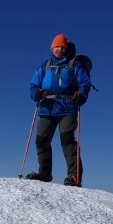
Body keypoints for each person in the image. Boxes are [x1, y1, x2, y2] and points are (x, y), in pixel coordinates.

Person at [25, 33, 91, 186]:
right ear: (51, 48)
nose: (58, 50)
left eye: (61, 47)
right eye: (56, 47)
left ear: (66, 48)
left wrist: (81, 94)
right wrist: (36, 93)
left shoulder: (74, 64)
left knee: (67, 140)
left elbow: (84, 83)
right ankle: (44, 173)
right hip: (47, 107)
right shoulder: (45, 65)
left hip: (67, 107)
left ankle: (74, 177)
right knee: (41, 140)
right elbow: (34, 84)